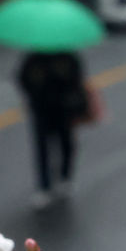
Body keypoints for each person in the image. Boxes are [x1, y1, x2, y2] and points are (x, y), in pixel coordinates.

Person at [17, 50, 88, 208]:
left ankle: (65, 177)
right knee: (43, 149)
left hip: (63, 111)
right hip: (42, 112)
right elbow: (23, 79)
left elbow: (77, 78)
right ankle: (44, 186)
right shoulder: (33, 59)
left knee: (66, 144)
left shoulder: (66, 57)